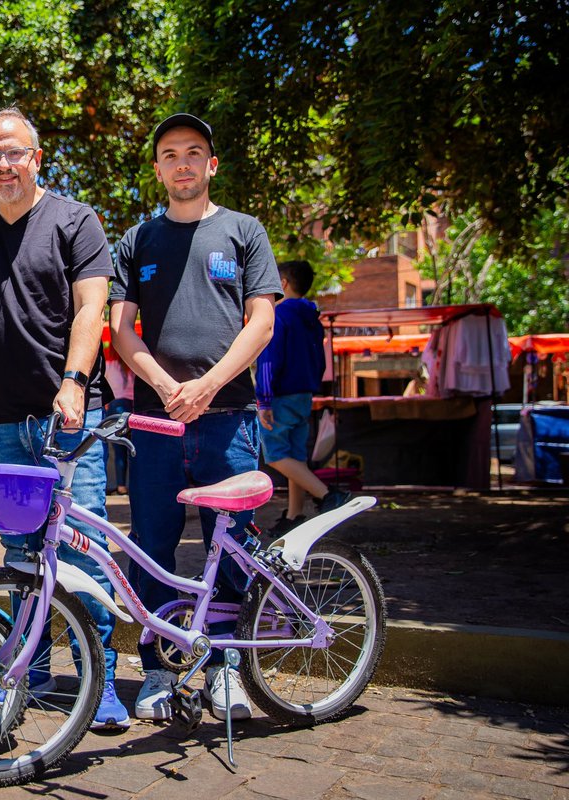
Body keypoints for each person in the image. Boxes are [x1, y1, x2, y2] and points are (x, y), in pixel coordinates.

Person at [0, 107, 129, 730]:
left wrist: (75, 382)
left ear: (36, 158)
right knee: (19, 552)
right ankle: (33, 672)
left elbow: (90, 310)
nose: (3, 163)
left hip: (67, 419)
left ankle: (97, 681)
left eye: (14, 152)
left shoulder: (77, 221)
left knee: (83, 547)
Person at [109, 113, 281, 723]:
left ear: (211, 165)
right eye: (170, 154)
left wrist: (206, 387)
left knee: (230, 545)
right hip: (155, 426)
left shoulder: (244, 231)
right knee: (151, 546)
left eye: (194, 153)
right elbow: (121, 329)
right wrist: (164, 385)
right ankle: (155, 668)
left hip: (229, 419)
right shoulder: (136, 241)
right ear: (157, 170)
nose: (182, 163)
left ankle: (226, 667)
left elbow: (260, 322)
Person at [256, 259, 350, 534]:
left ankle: (328, 495)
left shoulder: (279, 315)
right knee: (296, 455)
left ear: (282, 283)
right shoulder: (313, 319)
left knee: (274, 454)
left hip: (281, 394)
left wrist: (263, 398)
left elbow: (268, 359)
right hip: (304, 393)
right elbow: (320, 360)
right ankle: (295, 514)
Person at [104, 351, 135, 494]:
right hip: (133, 407)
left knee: (118, 449)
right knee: (133, 447)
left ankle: (121, 485)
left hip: (115, 406)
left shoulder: (110, 365)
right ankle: (132, 482)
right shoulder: (133, 365)